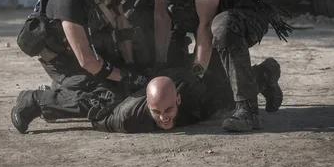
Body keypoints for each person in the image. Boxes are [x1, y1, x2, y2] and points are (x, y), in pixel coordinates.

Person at [133, 0, 293, 132]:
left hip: (245, 18)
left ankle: (248, 111)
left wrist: (196, 72)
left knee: (222, 29)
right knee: (215, 95)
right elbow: (161, 17)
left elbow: (206, 24)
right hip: (210, 25)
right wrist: (160, 64)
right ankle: (263, 76)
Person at [11, 0, 150, 134]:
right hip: (64, 60)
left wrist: (130, 65)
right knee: (105, 98)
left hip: (89, 48)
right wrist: (124, 77)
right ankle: (36, 101)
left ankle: (68, 88)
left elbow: (122, 24)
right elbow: (87, 60)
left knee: (126, 82)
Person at [88, 58, 282, 133]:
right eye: (157, 111)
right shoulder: (127, 117)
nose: (163, 117)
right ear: (147, 105)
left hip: (201, 91)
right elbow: (98, 118)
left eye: (168, 109)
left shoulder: (195, 92)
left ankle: (266, 73)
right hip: (170, 81)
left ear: (178, 100)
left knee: (234, 96)